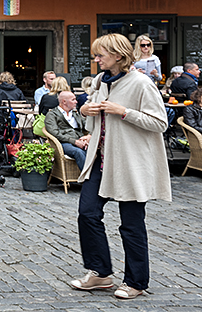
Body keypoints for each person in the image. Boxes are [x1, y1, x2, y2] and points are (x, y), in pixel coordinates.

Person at [70, 33, 169, 300]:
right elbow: (95, 114)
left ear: (119, 55)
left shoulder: (141, 83)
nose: (96, 59)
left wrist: (123, 111)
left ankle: (136, 282)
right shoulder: (102, 80)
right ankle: (101, 274)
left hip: (130, 163)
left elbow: (160, 123)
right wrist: (85, 112)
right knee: (88, 214)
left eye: (101, 54)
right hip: (101, 159)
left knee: (131, 224)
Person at [44, 91, 89, 170]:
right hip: (63, 143)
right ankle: (87, 179)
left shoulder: (75, 113)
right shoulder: (52, 115)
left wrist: (88, 136)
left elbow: (87, 126)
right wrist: (75, 142)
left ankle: (99, 177)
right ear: (64, 101)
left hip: (80, 139)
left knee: (95, 149)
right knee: (78, 152)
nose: (76, 102)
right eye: (73, 100)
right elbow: (55, 133)